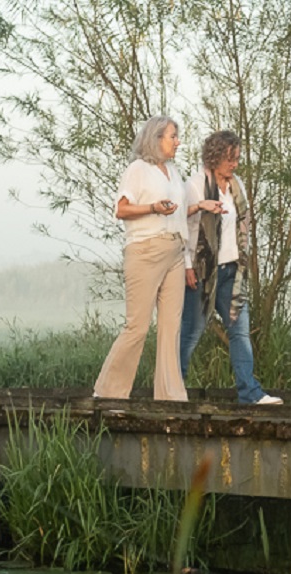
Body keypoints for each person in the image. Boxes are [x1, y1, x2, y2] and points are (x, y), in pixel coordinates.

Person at [179, 130, 282, 405]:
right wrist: (188, 267)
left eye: (236, 158)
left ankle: (250, 394)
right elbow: (185, 230)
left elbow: (243, 224)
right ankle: (173, 392)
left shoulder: (237, 186)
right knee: (191, 334)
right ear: (214, 157)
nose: (235, 164)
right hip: (203, 274)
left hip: (232, 272)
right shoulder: (195, 185)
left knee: (239, 332)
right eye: (230, 158)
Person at [92, 115, 190, 401]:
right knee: (138, 325)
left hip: (174, 250)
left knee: (171, 326)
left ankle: (171, 396)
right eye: (173, 136)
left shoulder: (173, 171)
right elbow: (121, 210)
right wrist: (153, 208)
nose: (178, 142)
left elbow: (180, 215)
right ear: (156, 138)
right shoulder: (138, 169)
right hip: (146, 251)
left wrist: (188, 262)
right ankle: (108, 392)